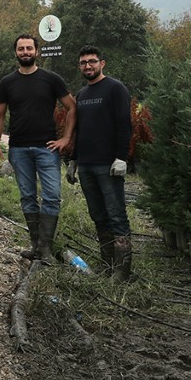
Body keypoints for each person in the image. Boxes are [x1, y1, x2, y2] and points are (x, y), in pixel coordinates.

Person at [0, 33, 76, 261]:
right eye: (21, 49)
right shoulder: (7, 82)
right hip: (18, 149)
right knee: (28, 197)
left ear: (36, 51)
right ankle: (36, 246)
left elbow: (72, 107)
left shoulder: (51, 79)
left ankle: (46, 248)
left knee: (52, 196)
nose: (25, 52)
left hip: (47, 148)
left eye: (29, 48)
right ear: (16, 52)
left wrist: (66, 138)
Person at [71, 46, 134, 280]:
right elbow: (80, 130)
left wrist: (121, 157)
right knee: (98, 215)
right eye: (83, 62)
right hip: (86, 165)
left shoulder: (115, 89)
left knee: (116, 214)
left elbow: (124, 124)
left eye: (92, 62)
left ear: (102, 63)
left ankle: (122, 270)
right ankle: (107, 263)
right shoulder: (82, 94)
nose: (88, 66)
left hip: (108, 165)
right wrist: (74, 160)